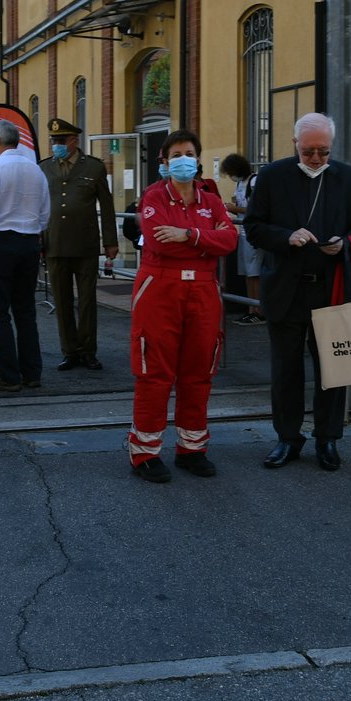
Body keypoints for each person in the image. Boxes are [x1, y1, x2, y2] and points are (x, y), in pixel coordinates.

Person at [243, 112, 351, 472]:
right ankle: (288, 439)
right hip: (285, 288)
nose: (316, 159)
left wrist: (345, 244)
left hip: (330, 289)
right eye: (308, 151)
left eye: (323, 152)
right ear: (294, 145)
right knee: (286, 371)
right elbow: (253, 227)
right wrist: (286, 237)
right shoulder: (271, 176)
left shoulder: (347, 177)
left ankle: (327, 439)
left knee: (333, 370)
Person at [126, 129, 238, 483]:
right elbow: (161, 244)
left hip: (203, 291)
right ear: (164, 161)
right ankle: (144, 452)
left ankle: (192, 449)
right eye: (176, 154)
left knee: (199, 371)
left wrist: (190, 235)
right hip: (160, 289)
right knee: (155, 372)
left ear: (199, 158)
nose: (183, 160)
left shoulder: (211, 199)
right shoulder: (154, 196)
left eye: (189, 153)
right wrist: (208, 241)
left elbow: (230, 240)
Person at [0, 118, 50, 393]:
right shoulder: (36, 170)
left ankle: (8, 374)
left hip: (3, 243)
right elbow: (45, 215)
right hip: (30, 242)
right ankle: (31, 372)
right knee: (25, 310)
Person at [38, 117, 118, 371]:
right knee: (61, 302)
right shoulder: (44, 168)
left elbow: (106, 206)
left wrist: (111, 242)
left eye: (61, 140)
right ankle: (69, 351)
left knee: (86, 301)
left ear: (74, 141)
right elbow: (38, 208)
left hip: (85, 244)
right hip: (55, 244)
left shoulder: (93, 168)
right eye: (53, 141)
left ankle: (88, 351)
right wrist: (38, 241)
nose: (56, 145)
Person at [219, 152, 264, 325]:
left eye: (231, 172)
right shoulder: (240, 183)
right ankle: (250, 308)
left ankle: (258, 310)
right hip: (244, 233)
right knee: (247, 273)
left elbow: (257, 208)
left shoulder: (254, 181)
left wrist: (234, 209)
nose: (230, 176)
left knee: (255, 274)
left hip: (253, 234)